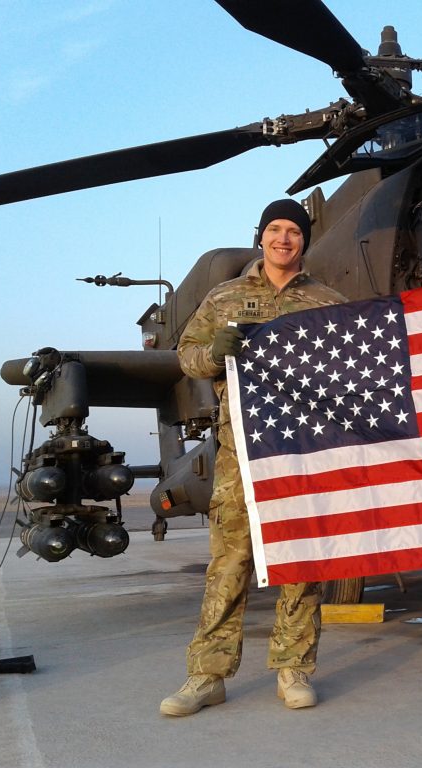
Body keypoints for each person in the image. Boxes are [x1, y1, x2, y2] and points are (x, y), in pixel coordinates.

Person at [160, 199, 346, 717]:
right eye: (275, 230)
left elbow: (348, 371)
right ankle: (207, 675)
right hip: (240, 455)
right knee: (230, 562)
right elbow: (188, 356)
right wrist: (214, 353)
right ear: (260, 237)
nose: (283, 239)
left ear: (304, 241)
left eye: (293, 231)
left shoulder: (328, 302)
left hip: (302, 453)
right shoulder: (225, 297)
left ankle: (294, 669)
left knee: (300, 560)